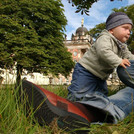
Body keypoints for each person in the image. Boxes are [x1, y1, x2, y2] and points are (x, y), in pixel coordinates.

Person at [67, 12, 134, 124]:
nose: (129, 32)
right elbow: (104, 51)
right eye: (125, 28)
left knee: (101, 95)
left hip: (101, 76)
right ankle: (70, 104)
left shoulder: (122, 46)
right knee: (78, 93)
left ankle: (92, 108)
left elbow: (130, 57)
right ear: (111, 30)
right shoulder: (105, 37)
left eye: (130, 30)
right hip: (86, 71)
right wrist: (119, 61)